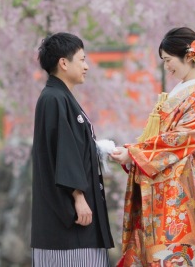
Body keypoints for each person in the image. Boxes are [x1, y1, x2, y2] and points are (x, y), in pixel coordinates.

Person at [110, 27, 195, 267]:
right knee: (156, 250)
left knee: (174, 252)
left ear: (188, 57)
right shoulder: (188, 89)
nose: (167, 67)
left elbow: (182, 138)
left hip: (180, 187)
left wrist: (134, 154)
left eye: (168, 60)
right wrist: (134, 151)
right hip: (167, 181)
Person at [31, 32, 114, 266]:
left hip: (75, 221)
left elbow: (73, 146)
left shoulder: (61, 97)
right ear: (64, 63)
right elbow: (62, 151)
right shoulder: (54, 98)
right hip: (67, 221)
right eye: (82, 60)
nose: (86, 67)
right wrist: (78, 197)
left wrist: (102, 151)